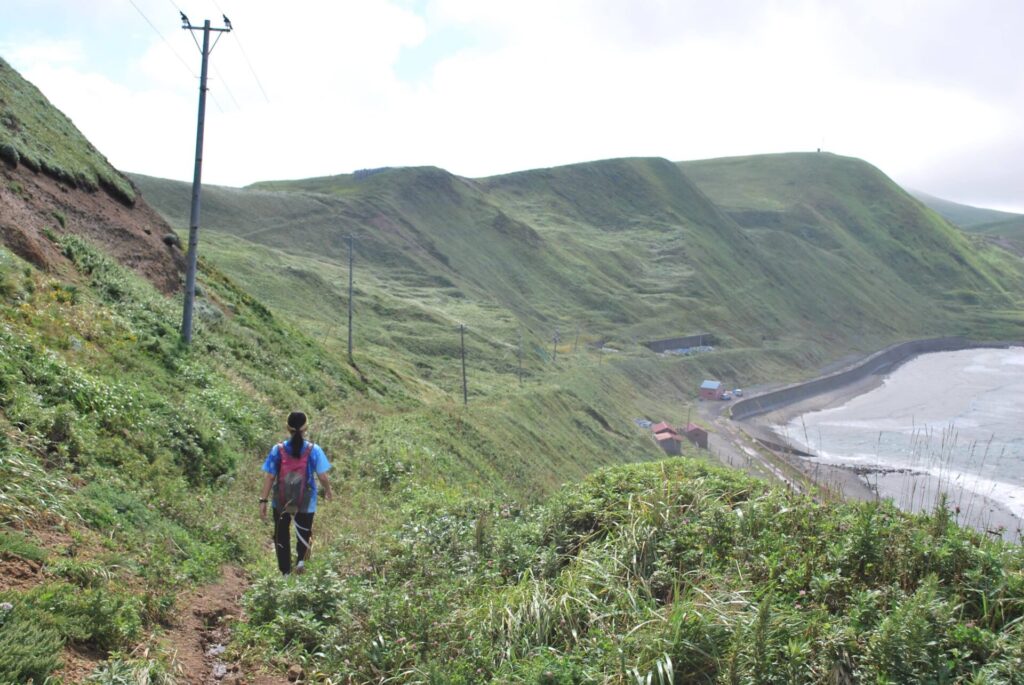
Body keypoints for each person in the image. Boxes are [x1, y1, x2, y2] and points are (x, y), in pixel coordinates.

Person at [259, 411, 332, 575]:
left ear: (287, 428)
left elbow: (270, 477)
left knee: (281, 534)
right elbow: (322, 476)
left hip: (281, 499)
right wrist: (328, 490)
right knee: (305, 532)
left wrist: (263, 500)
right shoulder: (314, 450)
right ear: (306, 428)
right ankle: (301, 562)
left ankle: (285, 572)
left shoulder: (277, 450)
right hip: (306, 499)